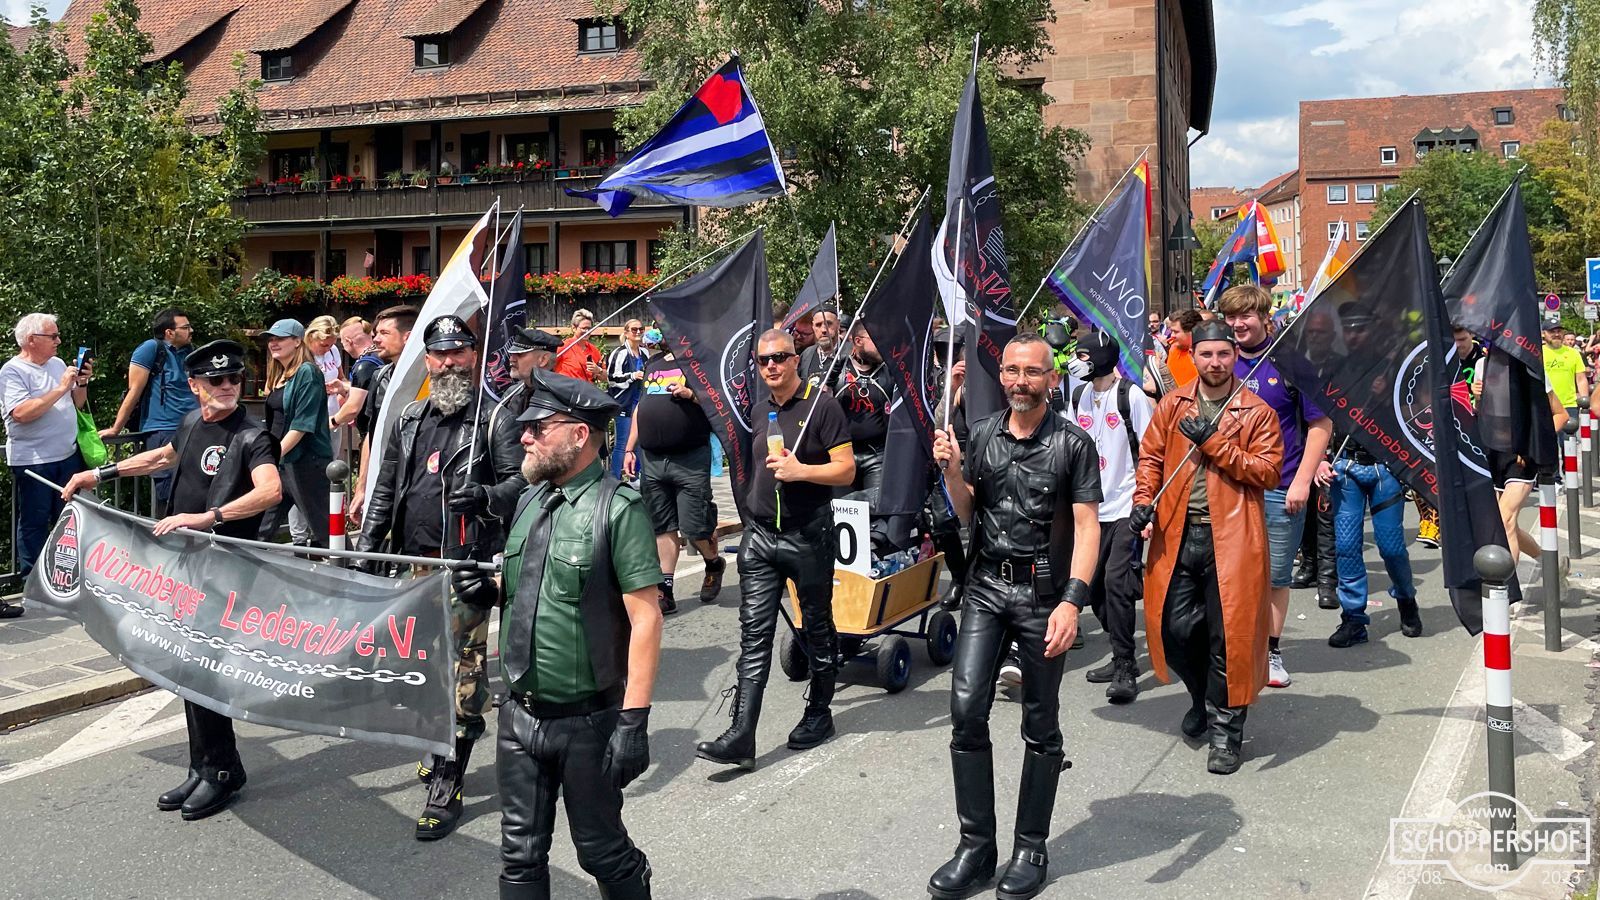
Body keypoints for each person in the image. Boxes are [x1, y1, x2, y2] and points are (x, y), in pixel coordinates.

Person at [452, 371, 661, 899]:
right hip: (519, 714)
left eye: (539, 427)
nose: (524, 436)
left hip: (586, 721)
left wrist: (633, 721)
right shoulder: (530, 500)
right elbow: (529, 583)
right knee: (519, 854)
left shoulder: (618, 509)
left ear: (579, 434)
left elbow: (646, 618)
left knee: (600, 850)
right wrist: (489, 588)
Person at [61, 340, 281, 818]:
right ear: (195, 385)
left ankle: (223, 770)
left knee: (205, 666)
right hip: (186, 565)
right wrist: (99, 474)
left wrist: (210, 517)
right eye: (217, 380)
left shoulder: (252, 435)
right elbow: (162, 457)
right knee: (186, 665)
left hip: (225, 567)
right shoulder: (190, 422)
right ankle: (203, 765)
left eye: (235, 378)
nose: (228, 386)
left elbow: (270, 490)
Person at [925, 333, 1101, 900]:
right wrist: (953, 472)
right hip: (985, 587)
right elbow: (966, 510)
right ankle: (976, 847)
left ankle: (1031, 847)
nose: (1021, 381)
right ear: (1000, 376)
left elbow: (1088, 529)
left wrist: (1072, 602)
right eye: (1012, 371)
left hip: (1043, 597)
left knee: (1040, 723)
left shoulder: (1073, 444)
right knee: (965, 711)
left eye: (1032, 372)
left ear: (1052, 378)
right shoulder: (980, 434)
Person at [357, 314, 524, 840]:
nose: (449, 362)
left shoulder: (495, 418)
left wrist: (488, 497)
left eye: (458, 353)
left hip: (465, 564)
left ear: (473, 357)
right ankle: (438, 742)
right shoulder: (409, 417)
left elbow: (523, 482)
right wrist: (367, 551)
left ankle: (448, 781)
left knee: (461, 672)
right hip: (415, 564)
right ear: (426, 360)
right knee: (421, 668)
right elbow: (387, 488)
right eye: (440, 354)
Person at [1130, 320, 1282, 775]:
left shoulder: (1255, 411)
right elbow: (1151, 457)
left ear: (1234, 355)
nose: (1215, 362)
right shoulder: (1173, 404)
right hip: (1176, 535)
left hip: (1233, 540)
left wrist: (1214, 442)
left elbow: (1268, 472)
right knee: (1172, 632)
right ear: (1192, 355)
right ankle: (1203, 697)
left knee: (1228, 638)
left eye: (1223, 354)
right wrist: (1143, 502)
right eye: (1206, 354)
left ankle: (1226, 732)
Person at [697, 329, 854, 769]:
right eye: (764, 360)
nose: (771, 366)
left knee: (817, 627)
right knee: (753, 636)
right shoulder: (759, 407)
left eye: (780, 357)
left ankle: (819, 713)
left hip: (808, 535)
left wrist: (802, 470)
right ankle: (741, 734)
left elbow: (845, 470)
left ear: (795, 360)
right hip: (762, 537)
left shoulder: (822, 405)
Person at [1218, 284, 1332, 689]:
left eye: (1245, 316)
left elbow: (1321, 424)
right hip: (1229, 489)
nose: (1237, 324)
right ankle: (1233, 649)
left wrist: (1302, 481)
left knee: (1275, 577)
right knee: (1229, 575)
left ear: (1264, 317)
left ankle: (1270, 651)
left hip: (1280, 487)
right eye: (1231, 317)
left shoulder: (1290, 361)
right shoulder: (1221, 361)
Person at [1070, 332, 1154, 704]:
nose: (1076, 362)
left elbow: (1151, 451)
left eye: (1082, 355)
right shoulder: (1078, 396)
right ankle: (1121, 646)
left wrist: (1147, 508)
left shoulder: (1130, 396)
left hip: (1125, 507)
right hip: (1089, 509)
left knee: (1117, 583)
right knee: (1096, 591)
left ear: (1102, 358)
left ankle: (1124, 664)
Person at [622, 342, 727, 614]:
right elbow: (640, 406)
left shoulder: (701, 360)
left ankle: (713, 562)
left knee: (695, 527)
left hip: (689, 458)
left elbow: (720, 403)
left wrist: (691, 394)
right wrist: (629, 448)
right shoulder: (654, 362)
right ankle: (665, 590)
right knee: (662, 525)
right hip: (653, 459)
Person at [3, 313, 92, 601]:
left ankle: (68, 583)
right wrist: (61, 387)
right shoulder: (12, 371)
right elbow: (21, 413)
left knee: (71, 521)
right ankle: (34, 586)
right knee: (35, 522)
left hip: (67, 455)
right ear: (31, 340)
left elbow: (77, 403)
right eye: (52, 336)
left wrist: (81, 383)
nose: (58, 341)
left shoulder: (57, 364)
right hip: (34, 460)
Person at [1326, 421, 1420, 646]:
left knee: (1392, 549)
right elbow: (1319, 419)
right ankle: (1353, 618)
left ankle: (1406, 597)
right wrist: (1320, 459)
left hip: (1388, 468)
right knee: (1346, 546)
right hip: (1345, 466)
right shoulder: (1339, 396)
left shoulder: (1399, 394)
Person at [100, 308, 196, 516]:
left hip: (194, 428)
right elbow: (134, 391)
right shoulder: (151, 349)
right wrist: (116, 428)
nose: (191, 331)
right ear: (169, 332)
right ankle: (168, 534)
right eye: (186, 327)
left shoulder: (191, 353)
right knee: (168, 494)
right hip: (163, 430)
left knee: (194, 490)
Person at [254, 319, 333, 547]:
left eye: (280, 338)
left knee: (325, 530)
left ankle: (353, 568)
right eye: (271, 339)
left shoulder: (307, 372)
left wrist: (270, 456)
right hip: (281, 463)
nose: (273, 343)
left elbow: (301, 425)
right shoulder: (280, 374)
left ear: (298, 341)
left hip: (305, 463)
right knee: (260, 529)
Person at [348, 304, 417, 526]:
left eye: (384, 333)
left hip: (418, 486)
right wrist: (362, 487)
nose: (376, 339)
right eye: (376, 333)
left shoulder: (427, 379)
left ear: (407, 337)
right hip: (385, 482)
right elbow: (372, 434)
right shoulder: (380, 376)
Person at [827, 323, 895, 502]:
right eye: (877, 339)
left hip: (877, 456)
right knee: (842, 510)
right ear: (858, 341)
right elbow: (817, 408)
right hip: (842, 455)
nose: (883, 344)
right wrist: (827, 383)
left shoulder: (891, 370)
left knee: (878, 508)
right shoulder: (838, 368)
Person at [606, 319, 647, 479]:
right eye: (634, 329)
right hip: (624, 402)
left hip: (640, 401)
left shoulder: (644, 353)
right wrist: (632, 376)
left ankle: (635, 477)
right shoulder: (620, 353)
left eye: (641, 329)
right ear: (626, 332)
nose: (638, 332)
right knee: (622, 443)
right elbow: (611, 378)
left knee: (638, 442)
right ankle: (615, 478)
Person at [331, 316, 382, 440]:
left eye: (343, 343)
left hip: (371, 433)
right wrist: (343, 389)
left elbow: (353, 408)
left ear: (348, 341)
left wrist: (333, 421)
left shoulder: (364, 366)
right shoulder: (380, 357)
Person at [1144, 309, 1200, 398]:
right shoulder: (1173, 348)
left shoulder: (1205, 356)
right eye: (1171, 331)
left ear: (1192, 332)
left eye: (1176, 332)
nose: (1172, 335)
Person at [1543, 320, 1588, 419]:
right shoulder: (1538, 352)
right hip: (1544, 405)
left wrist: (1584, 402)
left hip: (1569, 406)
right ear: (1543, 333)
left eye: (1559, 331)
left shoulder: (1573, 353)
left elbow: (1581, 379)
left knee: (1570, 429)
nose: (1556, 334)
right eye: (1552, 331)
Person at [554, 308, 605, 384]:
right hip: (566, 389)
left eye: (589, 328)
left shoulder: (593, 350)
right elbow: (547, 368)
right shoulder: (563, 347)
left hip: (587, 390)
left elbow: (605, 377)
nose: (587, 331)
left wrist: (598, 370)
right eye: (584, 328)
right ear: (574, 328)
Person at [798, 307, 844, 389]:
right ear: (813, 326)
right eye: (818, 325)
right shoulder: (806, 355)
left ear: (838, 324)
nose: (823, 330)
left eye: (828, 324)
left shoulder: (850, 353)